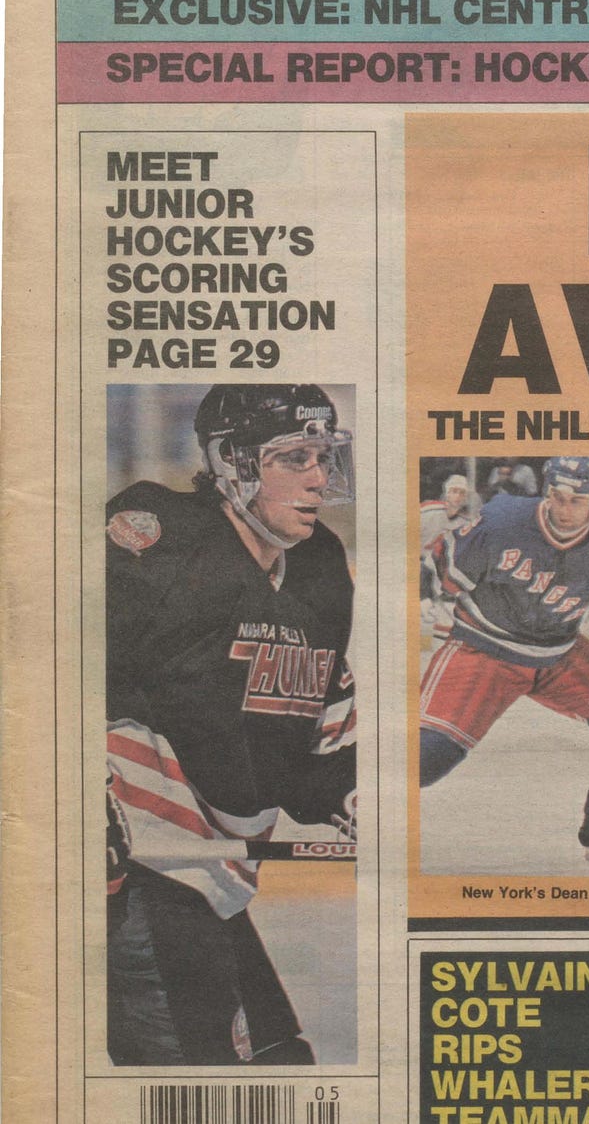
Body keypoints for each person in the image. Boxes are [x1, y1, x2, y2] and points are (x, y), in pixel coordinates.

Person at [105, 384, 357, 1064]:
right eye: (294, 457)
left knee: (281, 1065)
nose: (318, 477)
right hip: (139, 880)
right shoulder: (160, 532)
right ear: (232, 462)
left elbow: (310, 733)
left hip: (213, 883)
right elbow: (44, 668)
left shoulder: (321, 568)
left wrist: (350, 791)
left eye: (324, 455)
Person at [418, 456, 589, 863]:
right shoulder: (504, 520)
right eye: (556, 496)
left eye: (576, 500)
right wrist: (431, 598)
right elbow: (437, 568)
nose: (563, 509)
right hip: (482, 647)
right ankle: (357, 796)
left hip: (557, 651)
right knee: (425, 761)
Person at [420, 473, 479, 640]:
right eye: (454, 491)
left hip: (434, 570)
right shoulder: (427, 511)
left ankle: (431, 632)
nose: (458, 496)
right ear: (446, 492)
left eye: (462, 493)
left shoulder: (465, 522)